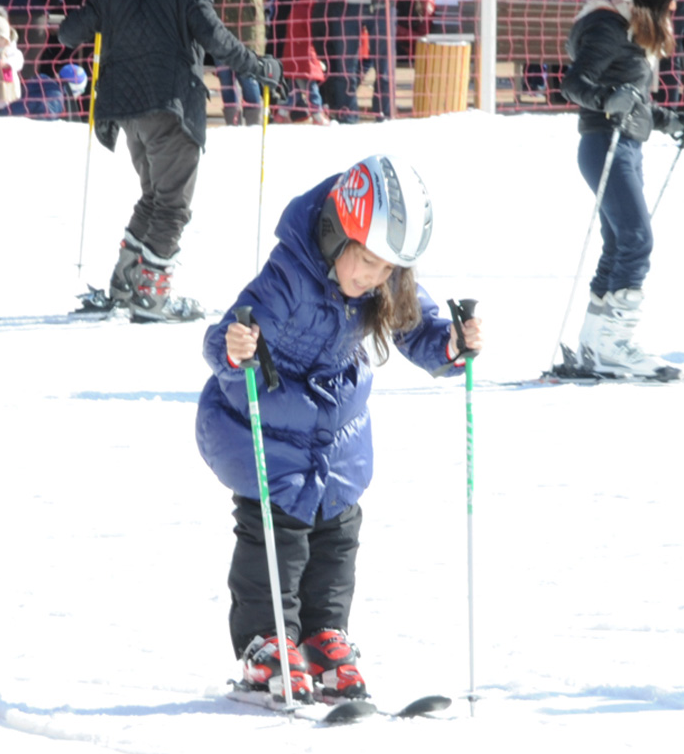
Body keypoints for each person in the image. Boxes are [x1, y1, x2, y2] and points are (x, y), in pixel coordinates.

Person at [195, 155, 483, 701]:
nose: (373, 280)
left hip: (336, 430)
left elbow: (414, 325)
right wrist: (236, 349)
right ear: (336, 234)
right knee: (277, 535)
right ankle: (266, 643)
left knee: (338, 530)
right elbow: (224, 334)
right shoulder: (288, 277)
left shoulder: (383, 278)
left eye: (386, 271)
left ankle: (325, 634)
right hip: (265, 422)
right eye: (367, 263)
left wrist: (452, 344)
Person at [57, 0, 285, 323]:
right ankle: (151, 298)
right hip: (172, 109)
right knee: (172, 206)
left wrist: (104, 1)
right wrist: (259, 66)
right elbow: (218, 41)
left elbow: (67, 33)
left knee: (154, 197)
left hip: (126, 113)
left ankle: (125, 284)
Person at [561, 0, 684, 379]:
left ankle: (594, 342)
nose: (677, 0)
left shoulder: (630, 24)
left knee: (620, 242)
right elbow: (574, 83)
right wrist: (607, 100)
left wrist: (669, 120)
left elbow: (633, 99)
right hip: (605, 145)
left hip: (623, 144)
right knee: (637, 240)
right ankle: (615, 345)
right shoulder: (609, 25)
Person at [202, 0, 277, 126]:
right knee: (225, 79)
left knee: (247, 77)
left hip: (247, 25)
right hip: (222, 23)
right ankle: (232, 126)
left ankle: (253, 127)